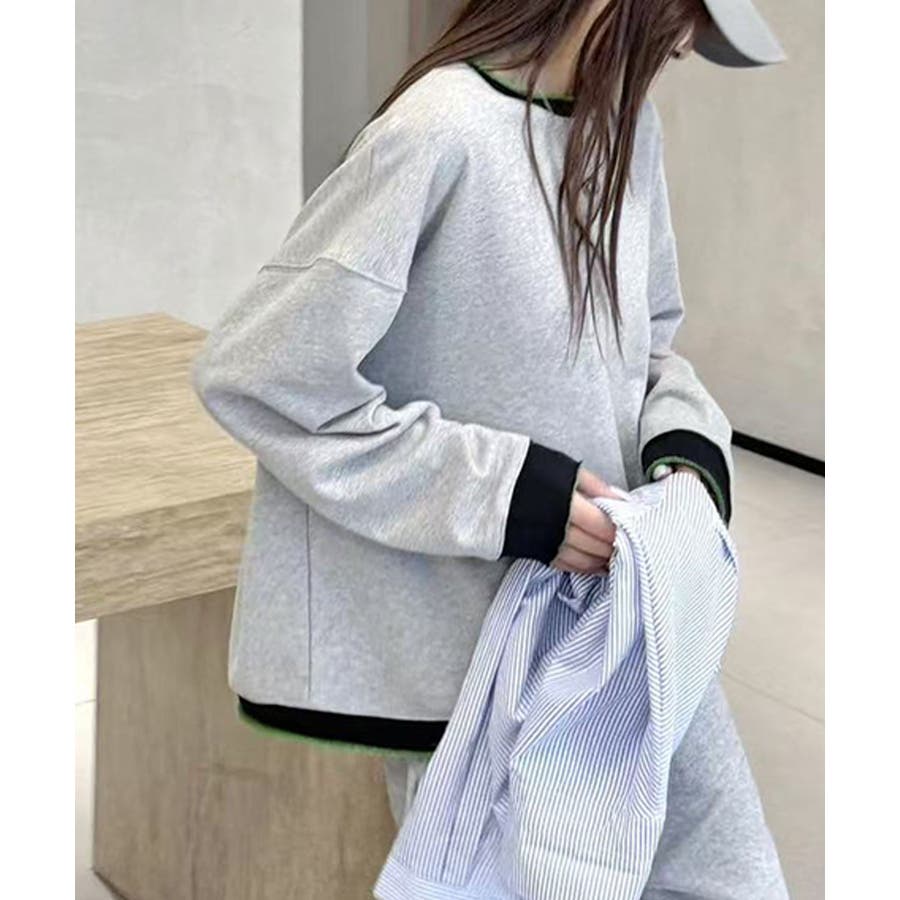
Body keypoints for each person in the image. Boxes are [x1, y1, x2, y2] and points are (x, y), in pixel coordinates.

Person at [191, 0, 789, 895]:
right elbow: (260, 374)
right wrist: (514, 496)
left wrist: (686, 459)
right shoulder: (437, 132)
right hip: (467, 647)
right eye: (688, 14)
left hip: (624, 608)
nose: (687, 43)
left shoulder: (628, 134)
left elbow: (650, 346)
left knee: (723, 866)